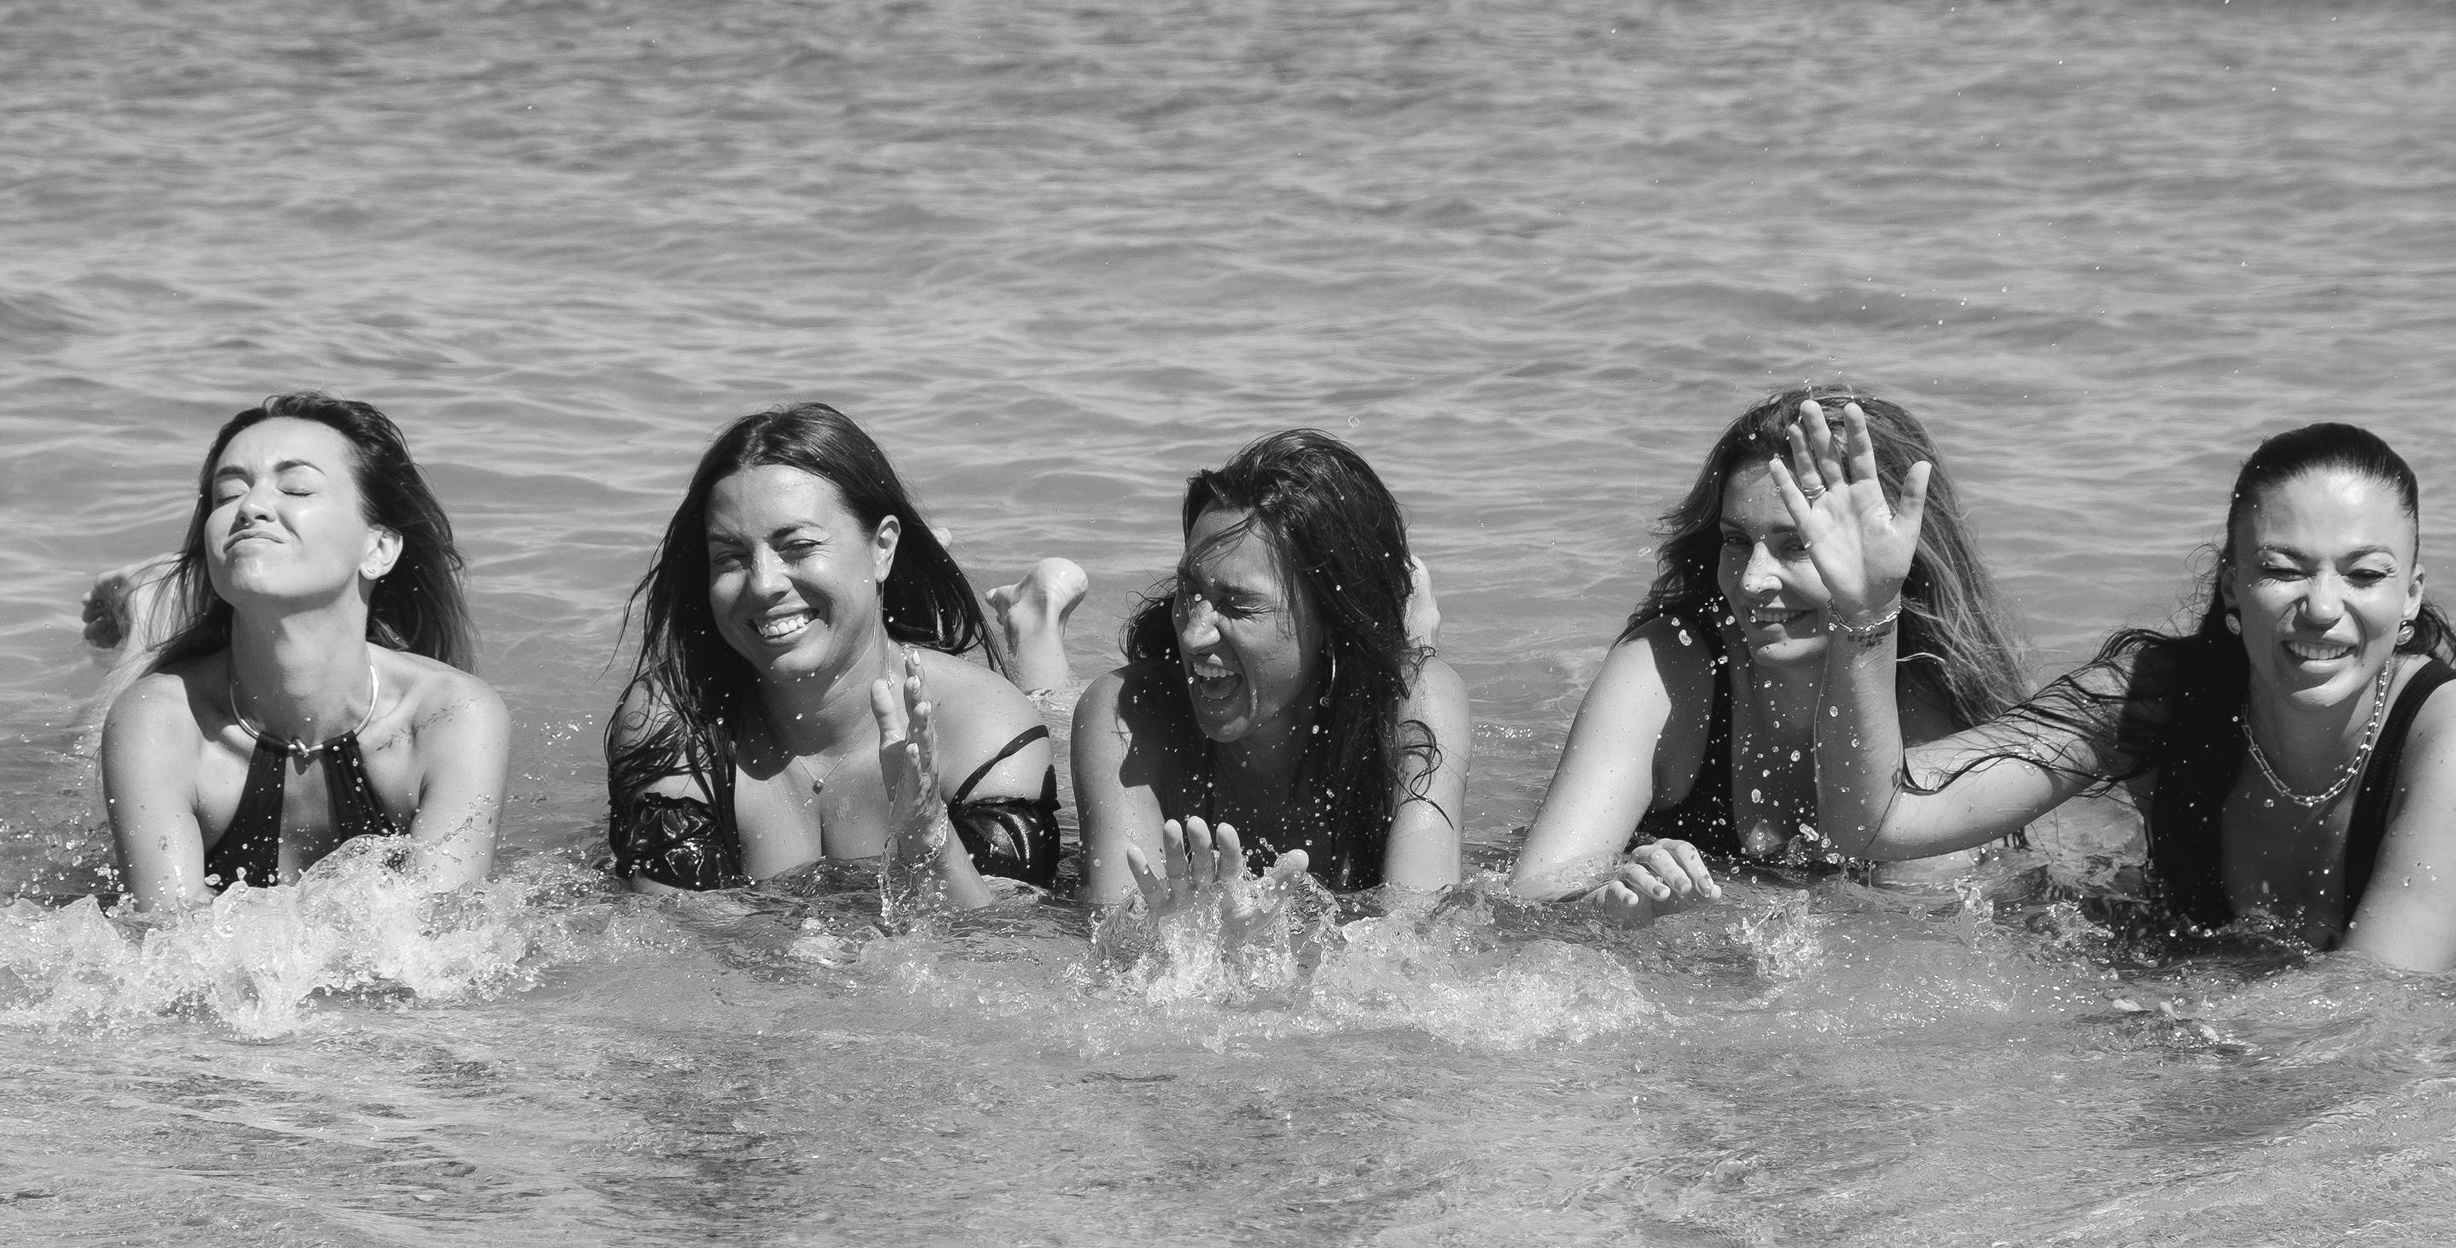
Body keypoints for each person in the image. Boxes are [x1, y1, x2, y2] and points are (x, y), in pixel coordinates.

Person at [1779, 410, 2456, 973]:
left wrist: (2148, 1013)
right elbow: (1878, 818)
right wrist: (1867, 615)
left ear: (2412, 595)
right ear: (2230, 586)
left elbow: (2371, 1005)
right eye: (2284, 568)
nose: (2323, 606)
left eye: (2364, 574)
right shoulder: (2158, 696)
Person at [1512, 387, 2030, 923]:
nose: (1753, 581)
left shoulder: (1934, 698)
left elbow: (1918, 933)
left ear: (1899, 556)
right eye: (1736, 542)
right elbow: (1527, 903)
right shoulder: (1668, 667)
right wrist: (1605, 905)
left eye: (1799, 544)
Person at [608, 403, 1077, 906]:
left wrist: (930, 836)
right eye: (730, 557)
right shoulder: (675, 720)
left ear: (882, 547)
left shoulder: (986, 728)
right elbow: (672, 937)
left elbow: (1002, 948)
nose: (763, 584)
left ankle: (1035, 627)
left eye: (798, 546)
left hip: (942, 684)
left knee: (1049, 703)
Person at [99, 393, 511, 910]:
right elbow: (164, 938)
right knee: (98, 731)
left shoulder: (448, 715)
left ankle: (152, 600)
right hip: (182, 703)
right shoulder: (160, 719)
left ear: (378, 549)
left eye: (295, 487)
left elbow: (441, 935)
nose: (249, 507)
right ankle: (149, 612)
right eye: (228, 494)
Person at [1073, 428, 1470, 924]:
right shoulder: (1125, 713)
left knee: (1408, 668)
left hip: (1362, 671)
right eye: (1189, 590)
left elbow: (1420, 938)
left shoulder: (1419, 702)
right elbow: (1106, 941)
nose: (1193, 635)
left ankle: (1410, 627)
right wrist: (1175, 944)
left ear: (1330, 619)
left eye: (1236, 605)